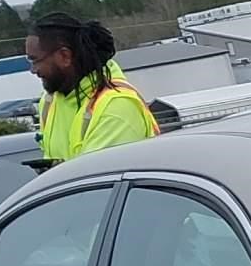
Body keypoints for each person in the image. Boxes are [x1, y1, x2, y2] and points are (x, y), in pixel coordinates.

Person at [26, 12, 158, 163]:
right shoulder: (50, 101)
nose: (33, 70)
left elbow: (97, 180)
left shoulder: (116, 107)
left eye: (35, 60)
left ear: (64, 56)